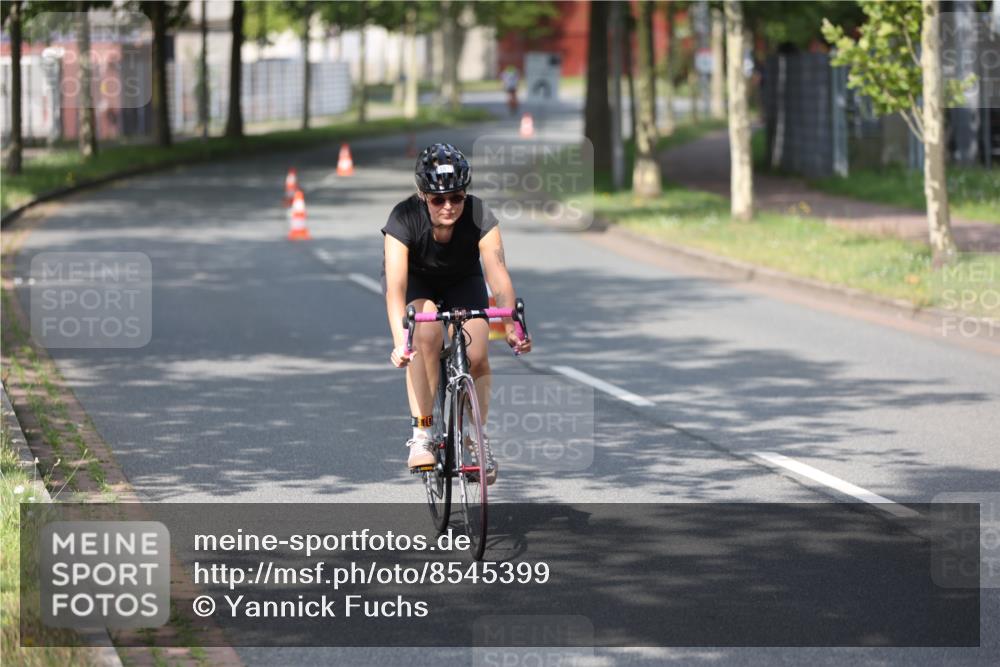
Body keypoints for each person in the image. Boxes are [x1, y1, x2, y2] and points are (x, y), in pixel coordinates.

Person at [381, 143, 531, 485]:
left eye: (457, 197)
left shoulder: (479, 216)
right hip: (418, 283)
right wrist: (399, 342)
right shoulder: (403, 218)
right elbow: (396, 289)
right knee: (427, 335)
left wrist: (512, 328)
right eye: (438, 199)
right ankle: (422, 433)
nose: (449, 206)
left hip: (462, 280)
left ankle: (473, 438)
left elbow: (498, 274)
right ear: (422, 195)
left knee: (477, 354)